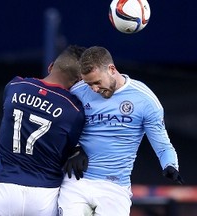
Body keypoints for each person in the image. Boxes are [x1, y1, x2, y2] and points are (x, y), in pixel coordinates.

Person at [58, 46, 184, 216]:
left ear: (111, 69)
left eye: (97, 82)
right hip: (76, 182)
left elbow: (163, 145)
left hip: (115, 186)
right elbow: (60, 126)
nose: (94, 89)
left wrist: (170, 164)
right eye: (89, 84)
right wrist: (75, 148)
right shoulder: (78, 93)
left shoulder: (144, 99)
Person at [0, 45, 88, 216]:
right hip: (44, 196)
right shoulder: (74, 110)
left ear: (51, 66)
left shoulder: (15, 86)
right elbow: (73, 146)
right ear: (78, 82)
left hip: (4, 188)